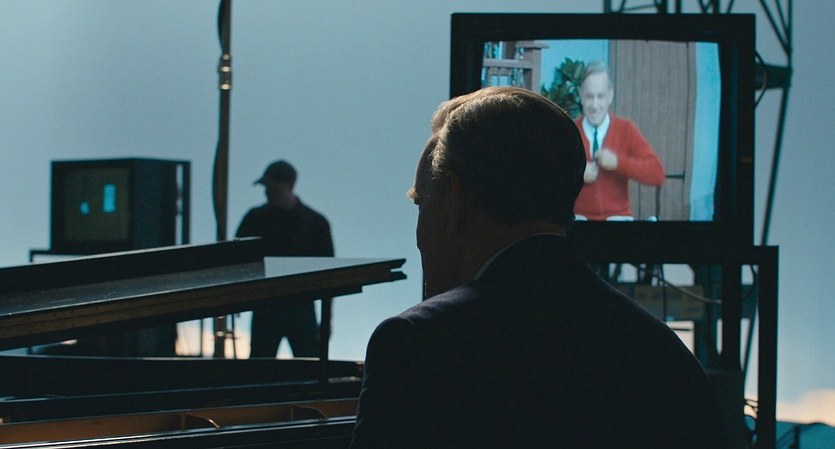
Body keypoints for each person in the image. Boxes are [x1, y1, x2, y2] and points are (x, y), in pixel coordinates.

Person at [349, 87, 726, 448]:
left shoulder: (417, 345)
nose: (419, 233)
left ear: (454, 199)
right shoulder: (664, 354)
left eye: (422, 204)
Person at [236, 160, 334, 358]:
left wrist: (326, 321)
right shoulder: (254, 219)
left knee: (309, 366)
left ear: (289, 185)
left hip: (300, 307)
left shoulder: (315, 223)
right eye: (266, 186)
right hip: (266, 306)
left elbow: (331, 276)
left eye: (273, 186)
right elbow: (236, 262)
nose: (267, 191)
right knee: (259, 368)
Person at [575, 61, 666, 221]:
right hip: (579, 220)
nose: (595, 105)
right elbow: (547, 178)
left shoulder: (626, 129)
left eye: (600, 96)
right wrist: (575, 173)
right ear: (581, 96)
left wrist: (618, 163)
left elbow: (657, 174)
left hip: (617, 219)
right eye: (589, 97)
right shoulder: (569, 130)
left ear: (610, 96)